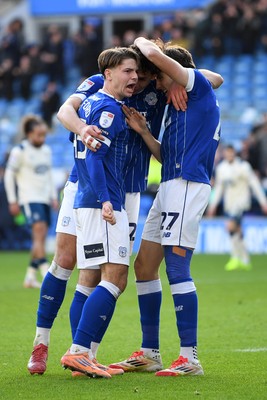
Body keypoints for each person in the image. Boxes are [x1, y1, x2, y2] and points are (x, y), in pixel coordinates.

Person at [108, 37, 223, 377]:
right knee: (144, 265)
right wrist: (144, 132)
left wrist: (139, 41)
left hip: (188, 185)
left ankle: (190, 358)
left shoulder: (195, 86)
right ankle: (149, 352)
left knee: (176, 267)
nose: (156, 83)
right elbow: (165, 156)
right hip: (170, 185)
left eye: (158, 76)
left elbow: (156, 53)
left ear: (172, 70)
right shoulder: (178, 103)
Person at [59, 46, 139, 378]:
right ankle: (79, 351)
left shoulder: (92, 102)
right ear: (108, 74)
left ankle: (85, 358)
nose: (134, 77)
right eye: (127, 71)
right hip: (101, 202)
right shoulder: (107, 108)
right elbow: (95, 155)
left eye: (136, 71)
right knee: (116, 277)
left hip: (88, 201)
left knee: (91, 278)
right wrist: (107, 200)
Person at [4, 114, 58, 288]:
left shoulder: (46, 151)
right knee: (39, 231)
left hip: (44, 199)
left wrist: (53, 197)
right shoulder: (19, 151)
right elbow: (9, 176)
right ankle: (46, 272)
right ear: (29, 134)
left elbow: (49, 176)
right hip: (28, 198)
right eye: (38, 135)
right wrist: (13, 200)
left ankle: (29, 277)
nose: (41, 138)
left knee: (40, 238)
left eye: (43, 135)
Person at [207, 144, 267, 271]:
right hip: (229, 203)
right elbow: (219, 189)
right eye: (227, 153)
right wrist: (213, 205)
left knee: (230, 226)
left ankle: (234, 257)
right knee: (238, 231)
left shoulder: (244, 167)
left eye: (231, 153)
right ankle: (245, 259)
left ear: (234, 153)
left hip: (241, 202)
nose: (229, 155)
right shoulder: (222, 168)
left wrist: (263, 202)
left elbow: (255, 184)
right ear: (225, 154)